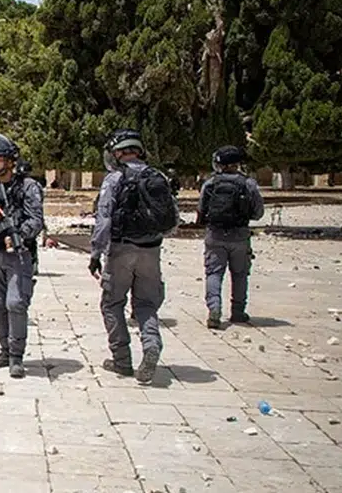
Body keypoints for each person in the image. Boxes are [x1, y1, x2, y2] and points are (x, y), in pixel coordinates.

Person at [89, 129, 179, 384]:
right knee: (146, 304)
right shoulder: (157, 176)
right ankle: (151, 343)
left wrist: (96, 253)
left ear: (117, 153)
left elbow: (103, 218)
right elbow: (171, 218)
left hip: (121, 250)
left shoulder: (114, 179)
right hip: (152, 250)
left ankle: (122, 360)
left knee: (112, 303)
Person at [0, 134, 44, 379]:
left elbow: (36, 220)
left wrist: (18, 235)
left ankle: (16, 356)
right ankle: (4, 350)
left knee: (15, 303)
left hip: (19, 254)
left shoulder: (28, 187)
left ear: (11, 161)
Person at [198, 145, 263, 329]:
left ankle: (214, 308)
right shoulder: (248, 184)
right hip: (240, 236)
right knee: (240, 274)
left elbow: (202, 210)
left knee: (213, 273)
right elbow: (258, 212)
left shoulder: (210, 183)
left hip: (215, 235)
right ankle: (238, 312)